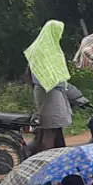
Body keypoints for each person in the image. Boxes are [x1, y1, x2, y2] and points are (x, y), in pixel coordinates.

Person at [26, 20, 74, 151]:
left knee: (52, 128)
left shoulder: (38, 48)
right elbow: (54, 77)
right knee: (50, 130)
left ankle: (54, 154)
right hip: (50, 92)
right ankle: (47, 157)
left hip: (43, 91)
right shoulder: (48, 50)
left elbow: (28, 74)